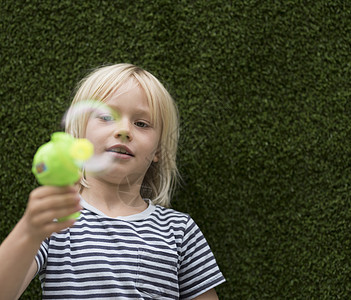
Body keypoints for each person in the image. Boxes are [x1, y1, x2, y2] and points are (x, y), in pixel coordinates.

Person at [0, 63, 225, 299]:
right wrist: (29, 230)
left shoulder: (179, 232)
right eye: (106, 117)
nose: (124, 130)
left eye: (141, 123)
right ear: (80, 135)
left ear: (158, 150)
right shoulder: (58, 220)